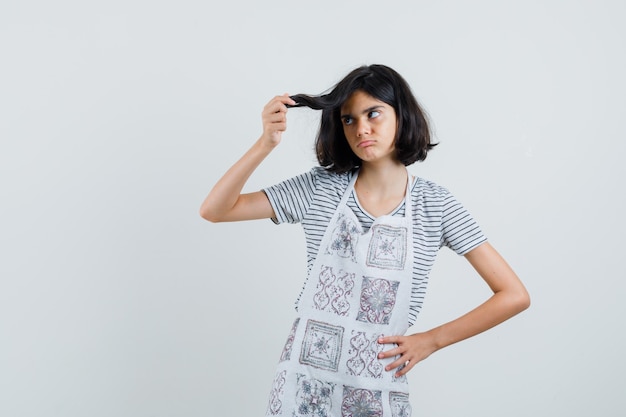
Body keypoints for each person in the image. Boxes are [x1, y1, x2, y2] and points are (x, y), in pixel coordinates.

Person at [199, 64, 530, 417]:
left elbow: (514, 295)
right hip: (303, 385)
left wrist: (430, 341)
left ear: (402, 115)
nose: (362, 129)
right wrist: (265, 143)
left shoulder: (436, 205)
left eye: (373, 113)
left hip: (378, 387)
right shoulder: (318, 189)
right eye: (349, 120)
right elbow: (216, 209)